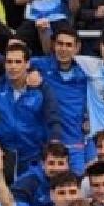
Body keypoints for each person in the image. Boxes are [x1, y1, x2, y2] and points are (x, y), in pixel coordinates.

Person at [0, 42, 61, 176]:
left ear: (27, 64)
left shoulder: (41, 88)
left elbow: (54, 118)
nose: (13, 66)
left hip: (34, 156)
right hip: (3, 155)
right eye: (9, 62)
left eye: (18, 62)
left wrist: (54, 145)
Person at [29, 27, 89, 171]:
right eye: (60, 44)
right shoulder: (39, 65)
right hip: (45, 143)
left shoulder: (86, 72)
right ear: (54, 45)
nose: (63, 49)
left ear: (77, 48)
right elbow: (12, 64)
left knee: (76, 185)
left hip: (75, 143)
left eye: (69, 45)